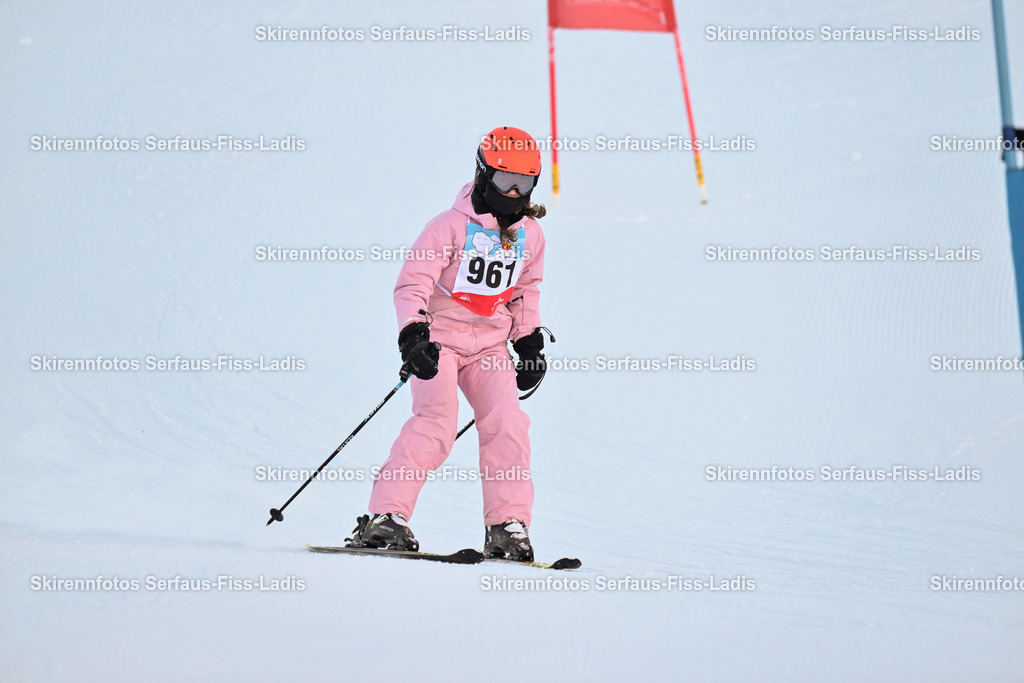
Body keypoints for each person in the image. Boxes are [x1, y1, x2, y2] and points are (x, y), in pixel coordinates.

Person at [345, 127, 548, 561]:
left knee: (508, 424)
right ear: (483, 175)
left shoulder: (530, 235)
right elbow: (413, 284)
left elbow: (525, 290)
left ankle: (507, 525)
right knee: (436, 424)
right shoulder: (447, 227)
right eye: (505, 181)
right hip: (439, 342)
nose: (514, 193)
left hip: (489, 347)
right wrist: (413, 335)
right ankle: (386, 517)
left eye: (524, 184)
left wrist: (528, 341)